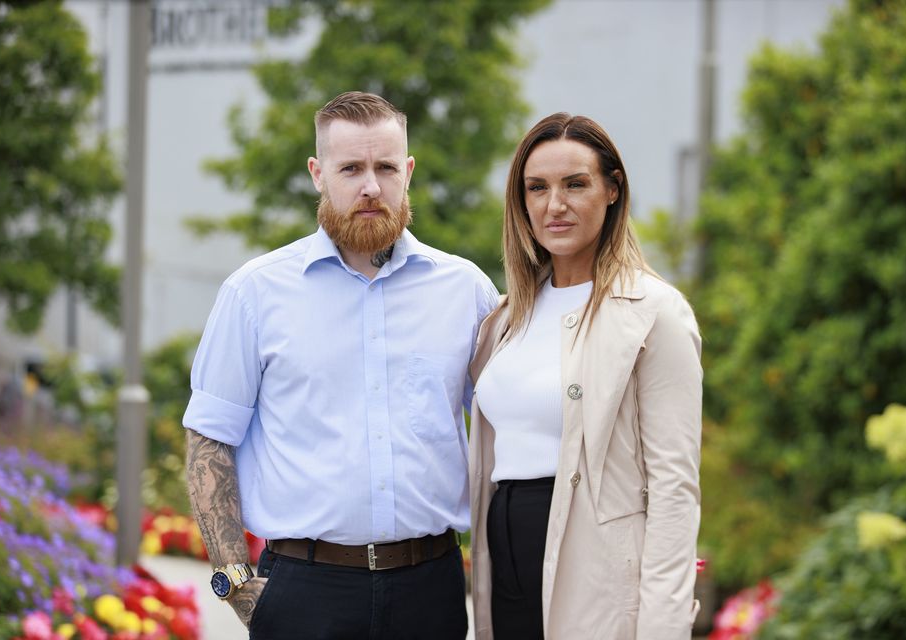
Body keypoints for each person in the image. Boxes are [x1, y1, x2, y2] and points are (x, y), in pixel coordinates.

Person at [183, 91, 499, 639]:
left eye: (386, 167)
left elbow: (507, 430)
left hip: (431, 589)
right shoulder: (254, 294)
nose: (371, 186)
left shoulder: (466, 291)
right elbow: (209, 440)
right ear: (317, 173)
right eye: (350, 168)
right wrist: (234, 585)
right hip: (302, 595)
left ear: (409, 172)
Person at [468, 113, 703, 639]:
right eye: (537, 188)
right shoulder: (506, 320)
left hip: (595, 569)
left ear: (613, 189)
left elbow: (674, 487)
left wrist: (663, 627)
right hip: (505, 560)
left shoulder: (653, 312)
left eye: (576, 184)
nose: (555, 205)